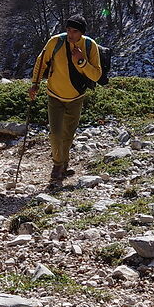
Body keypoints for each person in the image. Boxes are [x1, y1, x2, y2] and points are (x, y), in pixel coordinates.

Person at [29, 16, 107, 188]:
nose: (70, 34)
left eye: (75, 31)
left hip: (76, 97)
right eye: (68, 30)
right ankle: (57, 165)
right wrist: (35, 84)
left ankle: (64, 163)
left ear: (82, 33)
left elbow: (96, 75)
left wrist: (80, 61)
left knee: (68, 135)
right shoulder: (55, 42)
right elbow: (40, 62)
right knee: (55, 133)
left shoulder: (89, 46)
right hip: (54, 94)